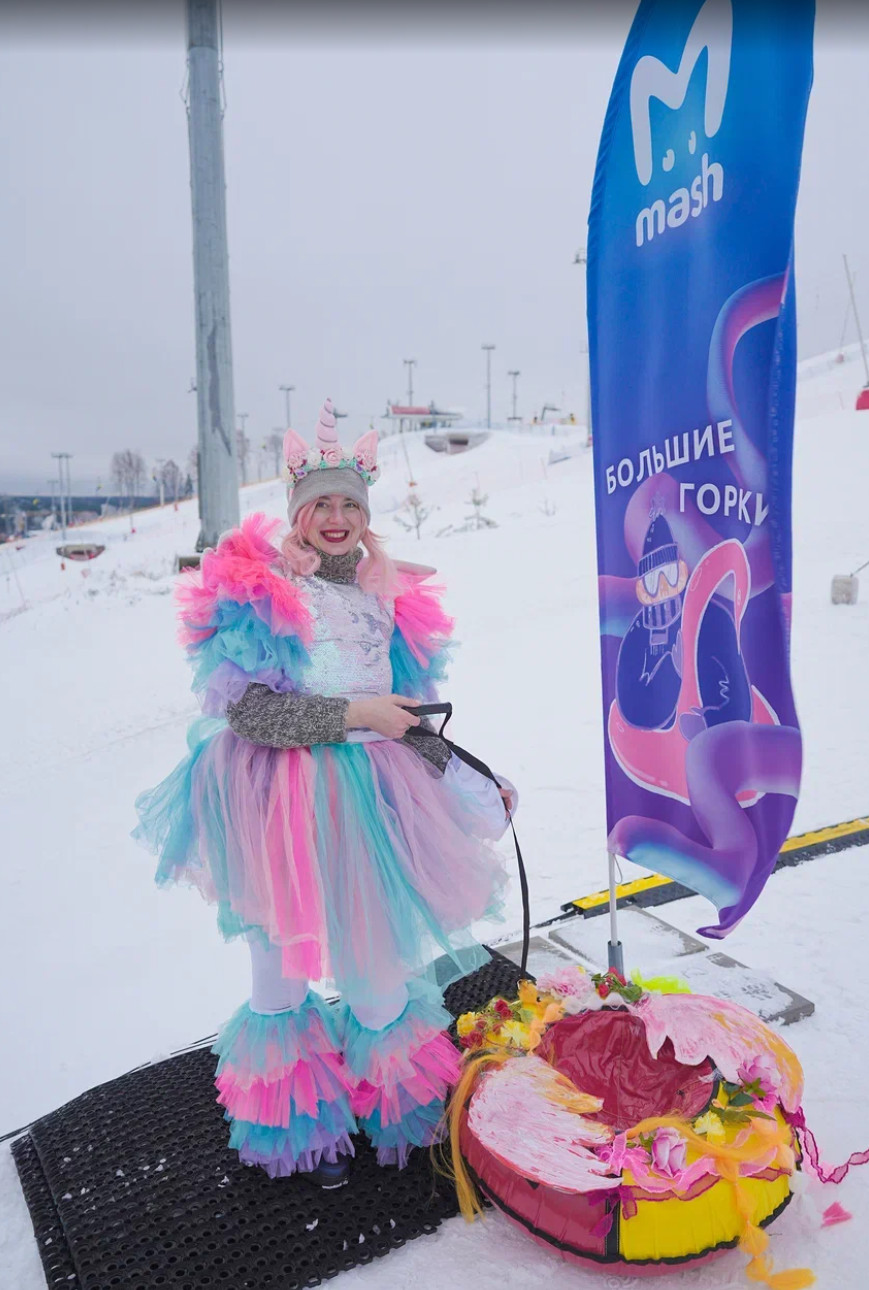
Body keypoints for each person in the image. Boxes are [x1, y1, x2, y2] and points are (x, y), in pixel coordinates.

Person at [135, 399, 514, 1188]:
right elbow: (250, 712)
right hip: (280, 805)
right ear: (296, 513)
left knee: (376, 971)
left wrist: (466, 777)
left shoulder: (390, 595)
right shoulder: (259, 590)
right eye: (321, 504)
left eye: (350, 504)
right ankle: (298, 1129)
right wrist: (354, 714)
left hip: (377, 802)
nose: (336, 518)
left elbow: (404, 715)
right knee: (280, 968)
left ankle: (398, 1116)